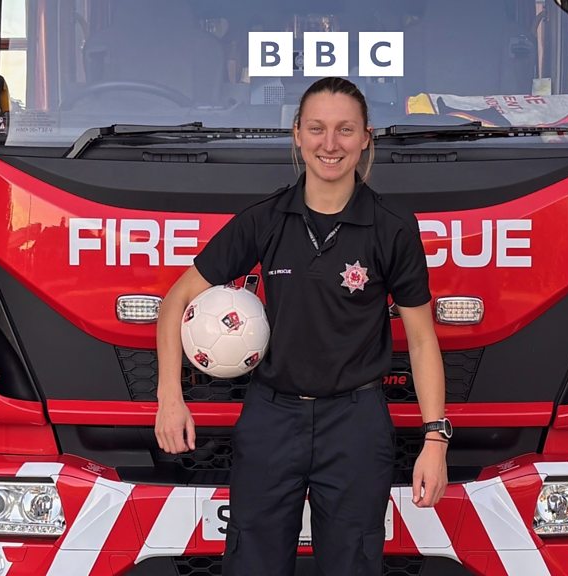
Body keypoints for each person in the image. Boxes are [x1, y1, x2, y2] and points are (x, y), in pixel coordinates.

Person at [154, 77, 449, 576]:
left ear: (366, 138)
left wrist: (435, 441)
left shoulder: (392, 227)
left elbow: (421, 341)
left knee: (354, 565)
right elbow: (174, 304)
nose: (330, 144)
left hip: (356, 424)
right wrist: (169, 398)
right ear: (296, 134)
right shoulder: (265, 220)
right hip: (271, 419)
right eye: (316, 128)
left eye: (345, 130)